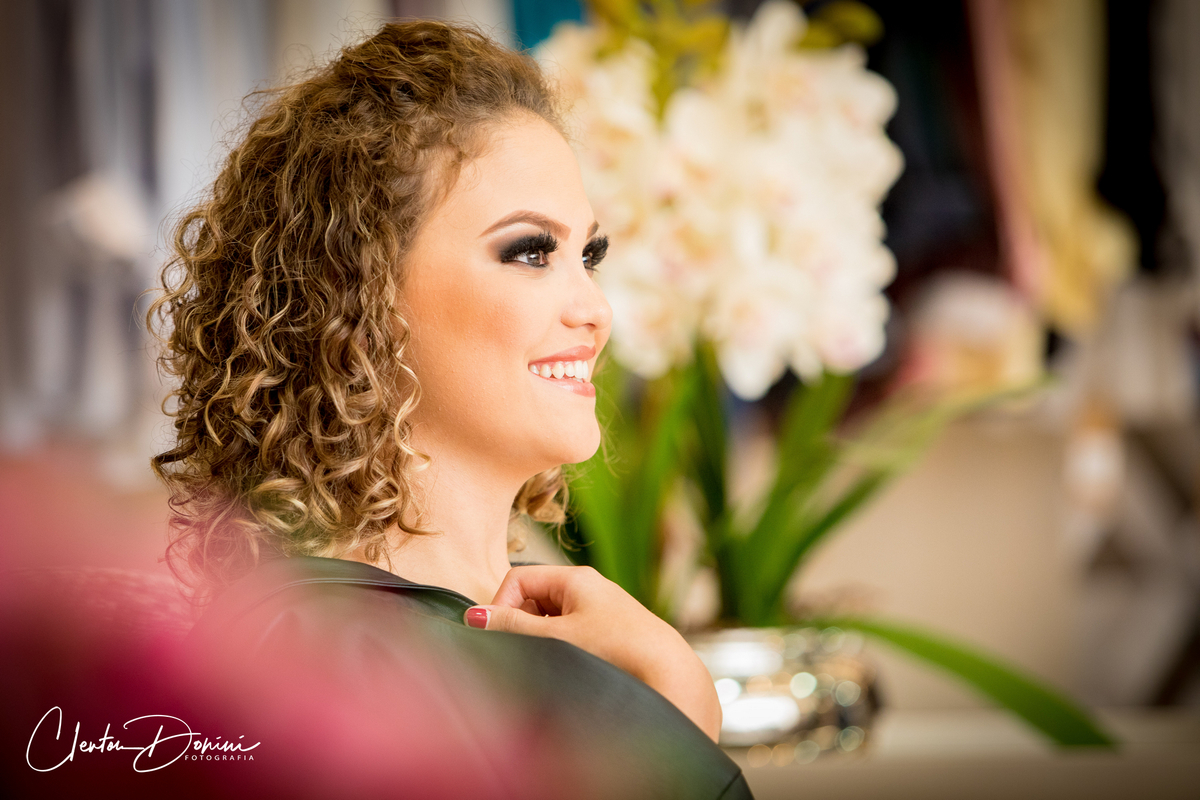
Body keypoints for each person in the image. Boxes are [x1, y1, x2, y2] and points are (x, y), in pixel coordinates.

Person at [149, 18, 753, 800]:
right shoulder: (328, 658)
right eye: (531, 251)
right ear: (359, 293)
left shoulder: (575, 639)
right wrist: (672, 724)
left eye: (589, 256)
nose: (596, 311)